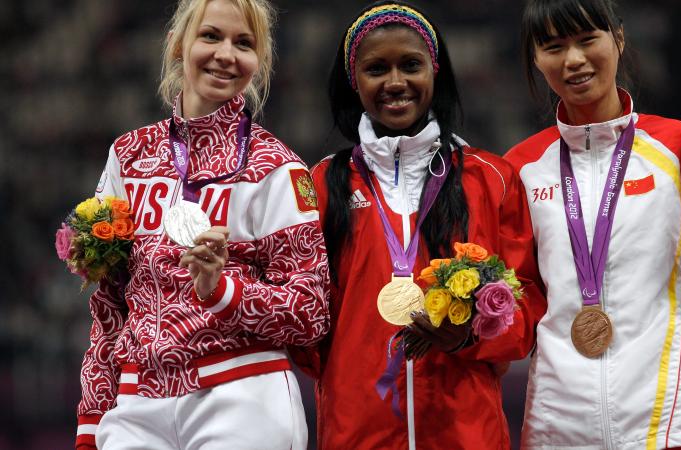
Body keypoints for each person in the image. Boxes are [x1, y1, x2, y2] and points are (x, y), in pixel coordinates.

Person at [74, 0, 330, 448]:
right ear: (178, 44)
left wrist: (221, 289)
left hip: (241, 393)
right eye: (211, 36)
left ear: (259, 61)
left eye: (243, 43)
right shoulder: (128, 155)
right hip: (136, 403)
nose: (226, 54)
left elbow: (311, 313)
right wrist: (92, 419)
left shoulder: (278, 168)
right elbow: (109, 304)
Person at [289, 1, 544, 448]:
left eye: (410, 65)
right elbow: (306, 331)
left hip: (465, 434)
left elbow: (526, 310)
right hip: (358, 434)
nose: (395, 82)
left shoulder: (491, 178)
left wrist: (471, 336)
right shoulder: (321, 185)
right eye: (376, 69)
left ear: (434, 72)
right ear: (354, 80)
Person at [504, 0, 681, 449]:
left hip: (674, 426)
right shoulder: (521, 169)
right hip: (559, 430)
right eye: (554, 47)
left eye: (587, 40)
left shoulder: (680, 147)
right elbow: (517, 311)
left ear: (618, 38)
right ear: (536, 59)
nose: (573, 59)